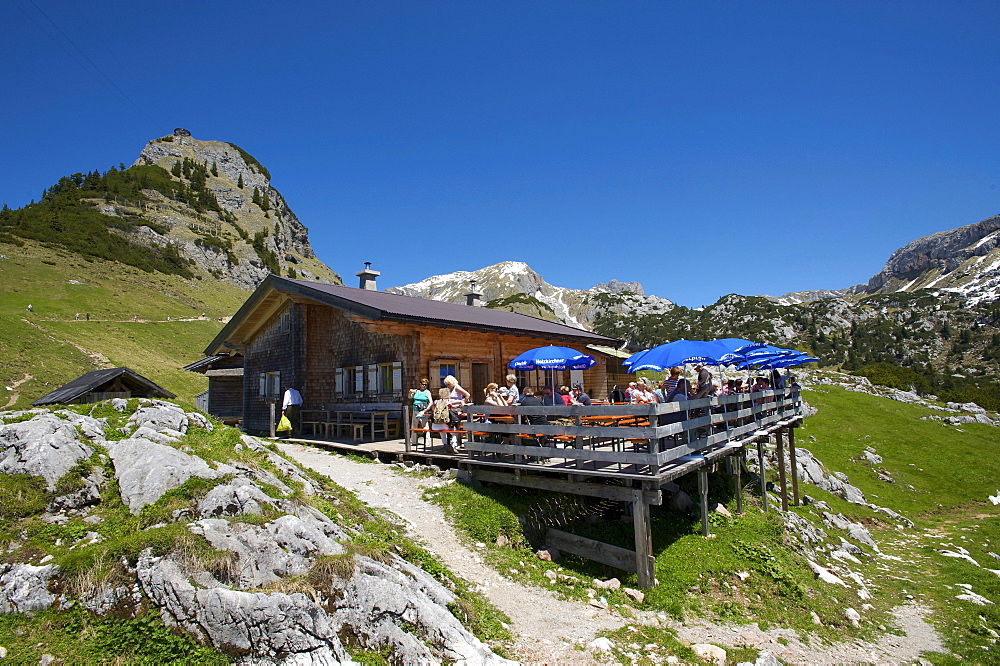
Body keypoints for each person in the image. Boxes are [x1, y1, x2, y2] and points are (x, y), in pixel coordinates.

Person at [430, 388, 461, 453]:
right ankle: (453, 444)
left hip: (435, 425)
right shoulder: (449, 402)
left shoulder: (436, 402)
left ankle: (445, 444)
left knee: (442, 431)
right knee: (456, 431)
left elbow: (433, 410)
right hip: (446, 424)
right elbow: (453, 411)